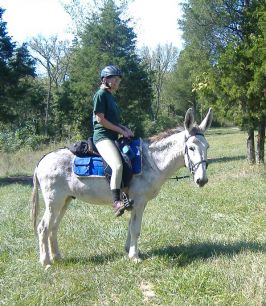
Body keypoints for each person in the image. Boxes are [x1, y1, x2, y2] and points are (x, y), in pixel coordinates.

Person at [92, 65, 134, 217]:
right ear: (105, 79)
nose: (117, 83)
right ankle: (116, 202)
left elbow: (113, 121)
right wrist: (121, 131)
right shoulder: (100, 95)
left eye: (118, 80)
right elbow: (101, 120)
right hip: (102, 137)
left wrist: (125, 129)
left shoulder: (110, 97)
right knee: (117, 166)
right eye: (114, 79)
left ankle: (126, 193)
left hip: (112, 137)